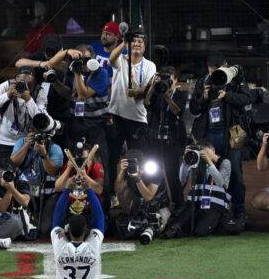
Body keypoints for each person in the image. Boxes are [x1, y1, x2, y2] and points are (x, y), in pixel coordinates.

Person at [189, 54, 253, 226]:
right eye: (212, 70)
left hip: (233, 133)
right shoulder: (203, 81)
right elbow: (194, 109)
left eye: (218, 70)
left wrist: (227, 96)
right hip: (209, 133)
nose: (215, 74)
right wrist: (203, 97)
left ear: (226, 65)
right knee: (206, 171)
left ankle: (239, 212)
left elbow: (247, 99)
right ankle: (208, 211)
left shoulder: (234, 78)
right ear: (208, 68)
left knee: (235, 174)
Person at [0, 67, 49, 188]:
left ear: (33, 80)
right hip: (1, 139)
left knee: (23, 179)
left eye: (28, 79)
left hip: (24, 142)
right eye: (21, 79)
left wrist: (28, 99)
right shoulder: (7, 85)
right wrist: (7, 95)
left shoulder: (39, 91)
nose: (23, 83)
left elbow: (41, 120)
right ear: (16, 78)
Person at [46, 45, 110, 165]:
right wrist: (67, 51)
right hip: (76, 122)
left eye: (87, 59)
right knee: (73, 158)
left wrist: (77, 73)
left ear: (93, 58)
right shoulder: (71, 69)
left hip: (95, 124)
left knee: (98, 160)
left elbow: (83, 95)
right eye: (80, 59)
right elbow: (50, 64)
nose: (84, 63)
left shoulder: (102, 73)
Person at [107, 31, 157, 168]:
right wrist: (124, 42)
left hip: (137, 119)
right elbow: (111, 59)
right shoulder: (121, 59)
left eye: (140, 42)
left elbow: (147, 91)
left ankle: (135, 187)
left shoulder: (150, 65)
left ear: (145, 47)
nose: (136, 44)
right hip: (117, 115)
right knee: (113, 156)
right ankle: (112, 188)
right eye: (133, 41)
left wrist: (137, 92)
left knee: (136, 158)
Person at [164, 141, 231, 238]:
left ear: (213, 150)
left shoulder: (225, 162)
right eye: (202, 153)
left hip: (215, 206)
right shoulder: (197, 162)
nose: (204, 155)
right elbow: (182, 179)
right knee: (176, 225)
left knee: (200, 231)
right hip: (196, 203)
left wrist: (209, 162)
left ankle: (218, 222)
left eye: (207, 152)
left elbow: (220, 183)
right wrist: (186, 161)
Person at [144, 67, 188, 205]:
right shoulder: (156, 92)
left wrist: (168, 98)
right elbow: (146, 103)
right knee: (153, 172)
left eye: (170, 80)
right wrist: (152, 87)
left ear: (175, 81)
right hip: (155, 139)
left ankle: (178, 204)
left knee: (172, 174)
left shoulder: (180, 94)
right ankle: (159, 201)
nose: (167, 83)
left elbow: (178, 113)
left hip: (173, 140)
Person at [10, 123, 64, 237]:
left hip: (49, 193)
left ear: (47, 135)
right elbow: (14, 162)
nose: (37, 137)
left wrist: (44, 155)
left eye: (40, 134)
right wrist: (26, 145)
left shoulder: (54, 148)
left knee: (45, 230)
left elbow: (53, 171)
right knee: (27, 230)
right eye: (33, 133)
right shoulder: (22, 142)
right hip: (27, 190)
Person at [111, 150, 169, 241]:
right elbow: (118, 190)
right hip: (139, 207)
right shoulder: (126, 171)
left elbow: (148, 197)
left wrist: (137, 178)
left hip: (158, 207)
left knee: (155, 227)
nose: (130, 165)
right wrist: (121, 173)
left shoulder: (153, 170)